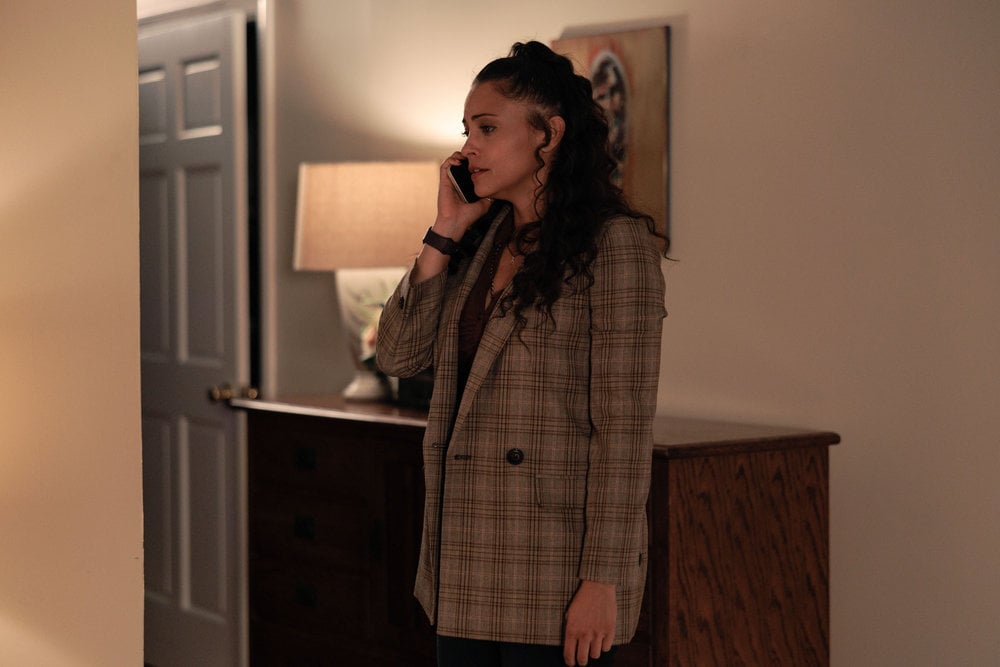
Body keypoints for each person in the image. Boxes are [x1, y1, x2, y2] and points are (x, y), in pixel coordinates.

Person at [376, 41, 666, 667]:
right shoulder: (480, 241)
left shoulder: (616, 245)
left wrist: (604, 580)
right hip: (465, 561)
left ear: (549, 135)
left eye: (486, 128)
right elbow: (398, 357)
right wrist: (444, 232)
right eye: (466, 130)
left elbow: (623, 429)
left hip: (554, 571)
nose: (467, 149)